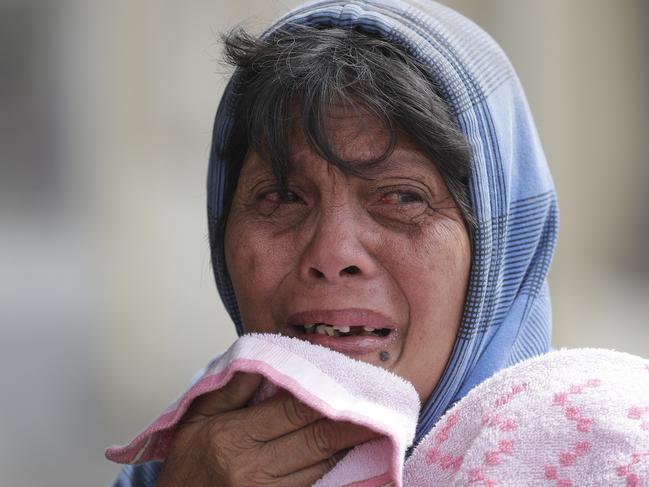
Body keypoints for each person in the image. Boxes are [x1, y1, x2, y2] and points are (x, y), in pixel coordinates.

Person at [112, 0, 558, 485]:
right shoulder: (185, 461)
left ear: (498, 250)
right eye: (282, 196)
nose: (332, 256)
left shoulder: (602, 453)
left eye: (402, 197)